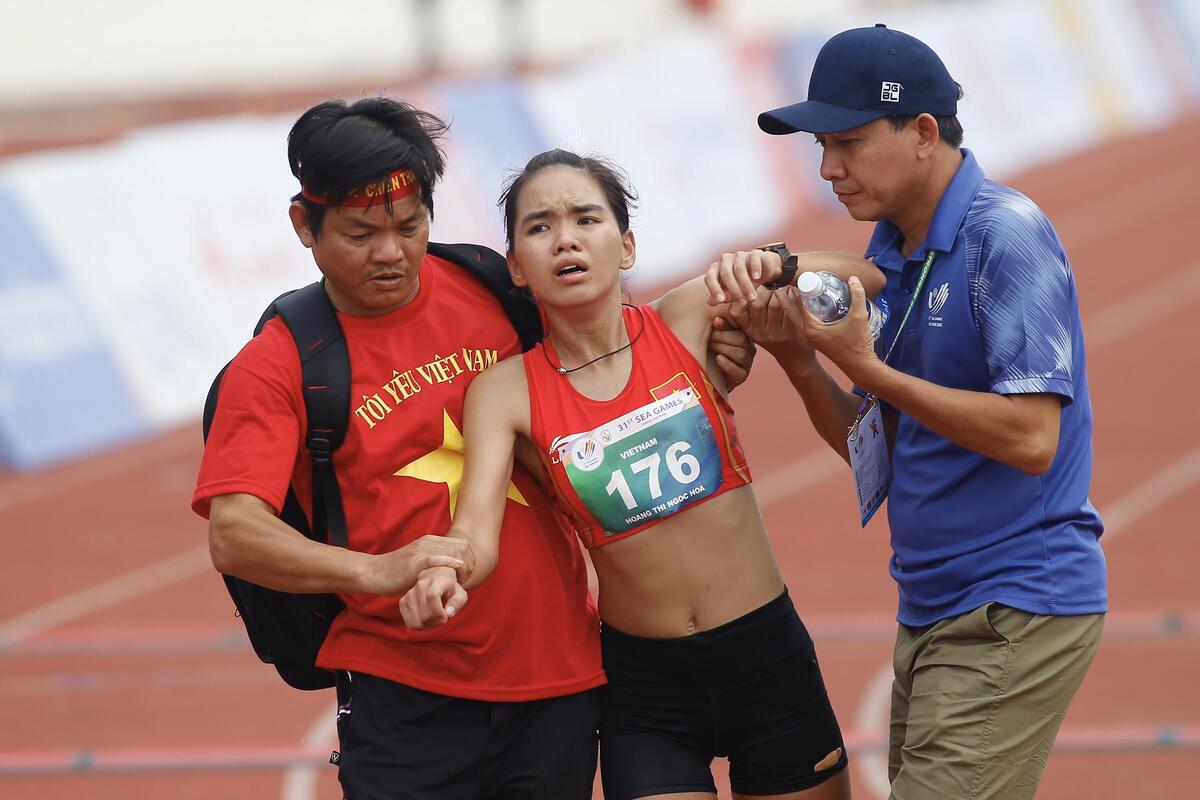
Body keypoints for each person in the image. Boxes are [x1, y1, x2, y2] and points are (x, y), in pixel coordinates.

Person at [192, 97, 756, 800]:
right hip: (404, 698)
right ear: (304, 225)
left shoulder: (491, 286)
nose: (391, 252)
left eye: (410, 226)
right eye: (361, 233)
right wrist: (376, 572)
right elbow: (235, 534)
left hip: (558, 682)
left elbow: (603, 370)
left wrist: (711, 364)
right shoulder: (279, 364)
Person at [401, 149, 883, 800]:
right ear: (516, 265)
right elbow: (475, 535)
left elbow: (869, 277)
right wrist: (443, 572)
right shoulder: (504, 392)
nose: (565, 239)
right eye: (540, 227)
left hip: (766, 661)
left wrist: (778, 265)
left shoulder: (687, 316)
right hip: (648, 693)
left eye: (586, 219)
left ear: (626, 246)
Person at [723, 24, 1107, 800]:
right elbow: (883, 453)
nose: (828, 169)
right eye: (821, 146)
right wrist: (802, 362)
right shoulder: (895, 248)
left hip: (1012, 602)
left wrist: (867, 367)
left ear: (923, 133)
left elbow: (1033, 438)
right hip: (935, 606)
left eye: (849, 143)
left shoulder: (1005, 236)